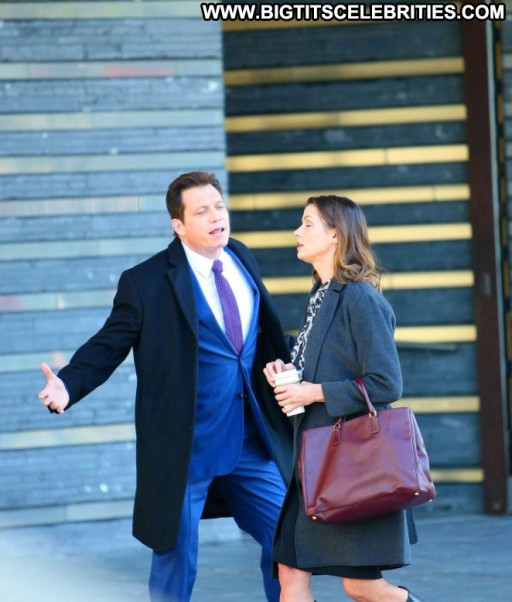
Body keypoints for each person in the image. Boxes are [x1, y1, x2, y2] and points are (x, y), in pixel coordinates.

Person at [38, 171, 293, 602]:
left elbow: (261, 335)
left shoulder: (241, 256)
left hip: (250, 438)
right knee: (176, 559)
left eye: (219, 206)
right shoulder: (146, 281)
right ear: (179, 225)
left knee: (287, 540)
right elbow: (109, 344)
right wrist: (68, 384)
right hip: (185, 445)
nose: (216, 217)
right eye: (201, 211)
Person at [263, 195, 424, 602]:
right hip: (313, 463)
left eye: (307, 223)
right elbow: (327, 364)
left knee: (363, 587)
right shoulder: (321, 295)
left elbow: (386, 383)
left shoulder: (360, 298)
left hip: (350, 466)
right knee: (290, 573)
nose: (297, 232)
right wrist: (287, 369)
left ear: (335, 234)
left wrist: (313, 392)